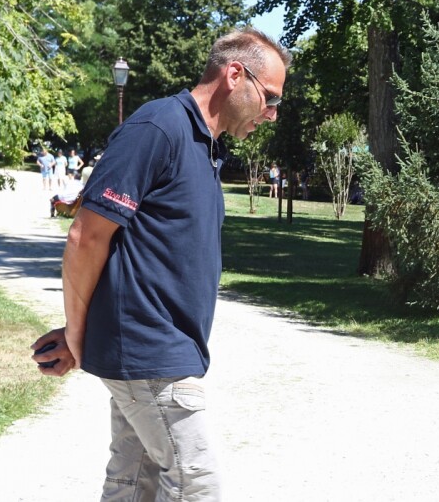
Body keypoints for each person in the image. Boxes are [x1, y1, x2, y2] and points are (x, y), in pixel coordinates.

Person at [31, 27, 291, 501]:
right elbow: (86, 237)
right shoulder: (159, 128)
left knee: (133, 485)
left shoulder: (203, 145)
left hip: (160, 350)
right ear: (235, 74)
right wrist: (76, 331)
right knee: (196, 485)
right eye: (269, 97)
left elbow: (143, 254)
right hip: (152, 353)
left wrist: (83, 330)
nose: (271, 114)